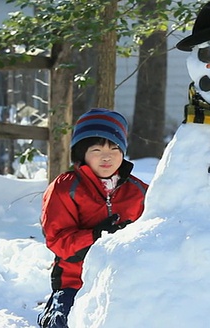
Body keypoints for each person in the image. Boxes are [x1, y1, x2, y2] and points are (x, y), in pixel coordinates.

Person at [37, 108, 148, 328]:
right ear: (82, 153)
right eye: (96, 149)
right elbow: (58, 241)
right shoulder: (65, 188)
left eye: (115, 148)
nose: (107, 156)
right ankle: (53, 312)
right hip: (75, 282)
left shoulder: (139, 191)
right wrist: (95, 235)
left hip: (126, 282)